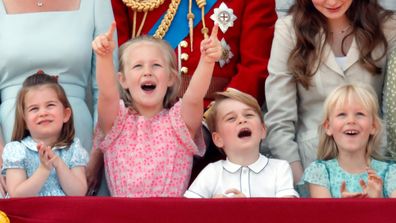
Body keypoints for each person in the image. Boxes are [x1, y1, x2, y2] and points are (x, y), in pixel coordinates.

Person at [262, 0, 396, 186]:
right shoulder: (289, 30)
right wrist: (301, 182)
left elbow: (392, 107)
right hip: (310, 162)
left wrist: (387, 176)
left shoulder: (387, 27)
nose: (332, 2)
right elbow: (278, 118)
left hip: (375, 168)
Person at [0, 0, 117, 196]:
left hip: (82, 139)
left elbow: (107, 90)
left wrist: (98, 153)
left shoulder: (96, 3)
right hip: (8, 138)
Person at [91, 22, 221, 197]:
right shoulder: (116, 122)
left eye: (156, 65)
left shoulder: (180, 123)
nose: (147, 72)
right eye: (138, 66)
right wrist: (104, 57)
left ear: (171, 78)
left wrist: (207, 60)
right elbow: (107, 93)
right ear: (122, 80)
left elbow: (194, 96)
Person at [185, 89, 298, 198]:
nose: (242, 120)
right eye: (231, 118)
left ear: (263, 130)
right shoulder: (211, 172)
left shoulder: (280, 168)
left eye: (249, 115)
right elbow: (187, 210)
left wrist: (246, 207)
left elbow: (286, 213)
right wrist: (212, 208)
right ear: (218, 139)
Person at [1, 72, 89, 197]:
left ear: (65, 114)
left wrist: (58, 164)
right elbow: (17, 195)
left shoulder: (74, 149)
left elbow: (79, 192)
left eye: (50, 105)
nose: (43, 113)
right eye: (34, 109)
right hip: (28, 215)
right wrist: (43, 169)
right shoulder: (16, 150)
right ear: (24, 120)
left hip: (64, 214)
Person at [303, 84, 396, 198]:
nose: (351, 120)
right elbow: (322, 215)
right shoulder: (319, 172)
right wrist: (344, 207)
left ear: (373, 126)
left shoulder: (391, 173)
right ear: (328, 127)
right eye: (342, 114)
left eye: (360, 114)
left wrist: (376, 200)